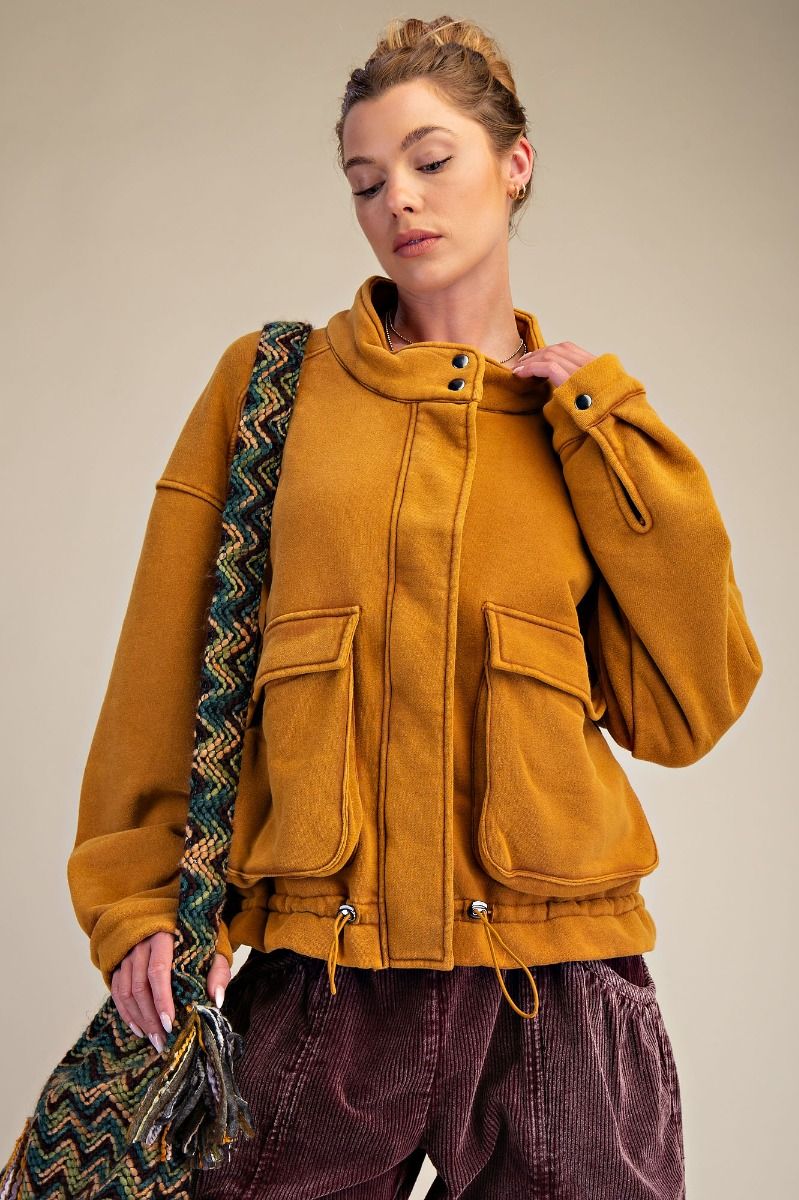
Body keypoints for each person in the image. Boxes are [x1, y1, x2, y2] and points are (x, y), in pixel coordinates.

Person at [66, 14, 763, 1199]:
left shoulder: (586, 432)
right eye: (365, 179)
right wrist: (139, 900)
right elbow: (165, 666)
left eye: (431, 160)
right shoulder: (270, 390)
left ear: (515, 163)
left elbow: (688, 709)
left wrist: (611, 430)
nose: (399, 199)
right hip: (321, 987)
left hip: (559, 997)